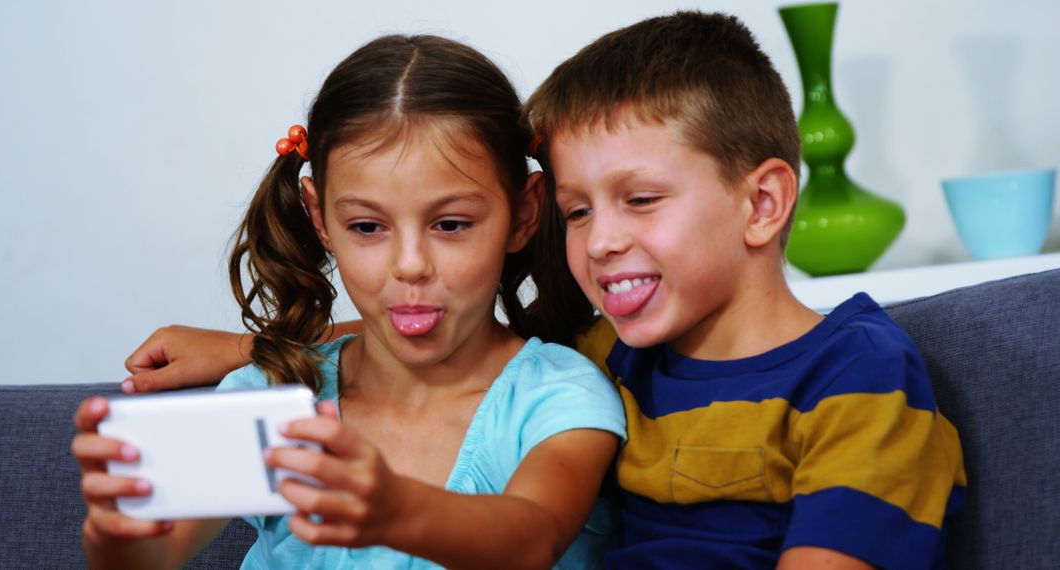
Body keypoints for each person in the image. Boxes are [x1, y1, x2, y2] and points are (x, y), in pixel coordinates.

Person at [122, 11, 967, 569]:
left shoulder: (858, 376)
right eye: (575, 209)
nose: (598, 241)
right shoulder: (613, 353)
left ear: (762, 202)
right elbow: (435, 333)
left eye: (639, 200)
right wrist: (250, 351)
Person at [72, 34, 625, 570]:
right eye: (367, 226)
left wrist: (397, 510)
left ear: (523, 213)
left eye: (451, 223)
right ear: (320, 218)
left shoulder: (559, 397)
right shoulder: (272, 394)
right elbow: (154, 557)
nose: (410, 264)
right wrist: (118, 536)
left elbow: (531, 539)